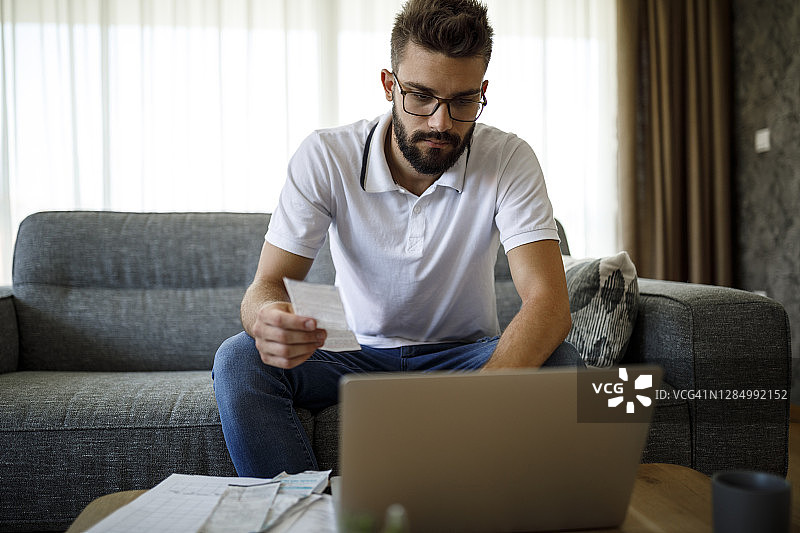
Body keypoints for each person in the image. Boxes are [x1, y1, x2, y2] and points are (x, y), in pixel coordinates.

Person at [212, 0, 583, 478]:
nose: (441, 123)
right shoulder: (327, 155)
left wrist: (482, 399)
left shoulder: (508, 157)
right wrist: (266, 320)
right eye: (421, 96)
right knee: (241, 357)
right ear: (390, 85)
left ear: (483, 92)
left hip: (464, 356)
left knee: (562, 364)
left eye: (463, 101)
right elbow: (268, 283)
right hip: (352, 354)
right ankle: (300, 519)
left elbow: (549, 305)